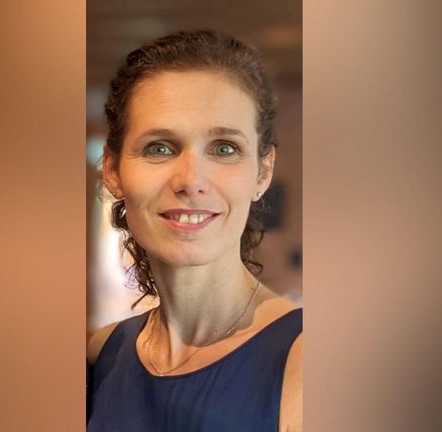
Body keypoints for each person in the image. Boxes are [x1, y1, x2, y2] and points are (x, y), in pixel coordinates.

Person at [87, 30, 302, 432]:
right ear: (113, 170)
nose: (191, 181)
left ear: (263, 172)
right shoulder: (101, 357)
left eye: (224, 148)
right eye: (160, 148)